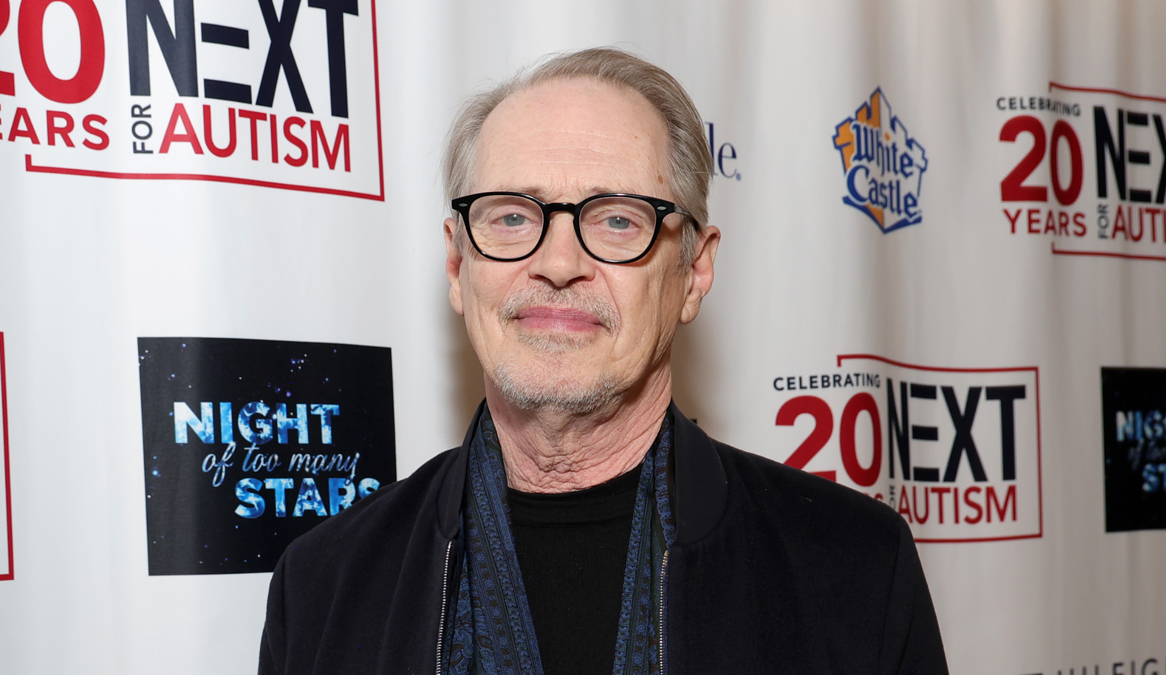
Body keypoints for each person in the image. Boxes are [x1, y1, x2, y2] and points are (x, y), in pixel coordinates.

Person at [258, 47, 948, 675]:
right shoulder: (323, 585)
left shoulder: (855, 569)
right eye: (512, 216)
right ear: (456, 262)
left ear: (694, 272)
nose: (558, 262)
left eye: (618, 218)